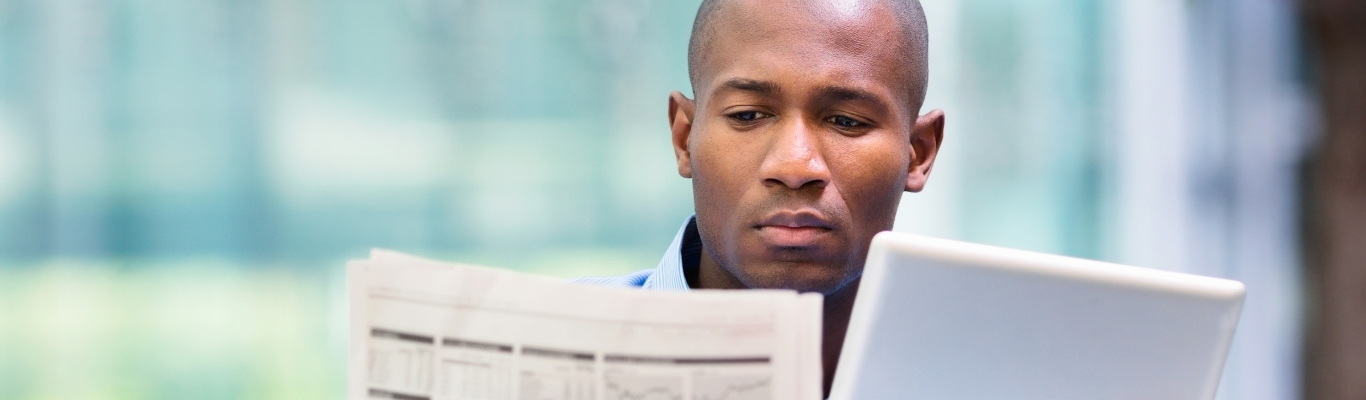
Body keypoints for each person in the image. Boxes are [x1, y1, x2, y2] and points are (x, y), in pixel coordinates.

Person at [575, 0, 944, 395]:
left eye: (846, 121)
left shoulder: (999, 371)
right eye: (748, 116)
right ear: (685, 139)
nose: (795, 167)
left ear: (917, 154)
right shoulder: (545, 346)